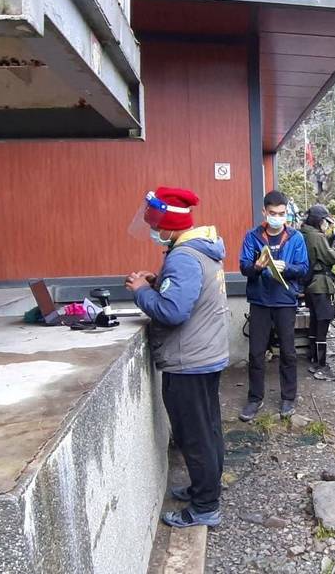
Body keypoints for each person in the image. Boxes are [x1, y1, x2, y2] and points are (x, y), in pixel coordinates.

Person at [126, 187, 229, 528]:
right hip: (205, 353)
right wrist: (161, 283)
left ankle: (204, 507)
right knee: (208, 429)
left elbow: (172, 311)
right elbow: (186, 293)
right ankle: (206, 488)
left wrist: (142, 291)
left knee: (194, 435)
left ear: (169, 224)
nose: (154, 231)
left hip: (190, 359)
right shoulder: (200, 249)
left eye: (156, 224)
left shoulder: (184, 256)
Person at [238, 190, 309, 421]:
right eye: (272, 213)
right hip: (259, 300)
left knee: (288, 352)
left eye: (281, 213)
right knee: (256, 353)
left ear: (286, 213)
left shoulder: (296, 238)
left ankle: (288, 397)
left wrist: (285, 267)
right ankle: (254, 399)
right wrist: (258, 266)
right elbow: (244, 268)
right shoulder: (253, 236)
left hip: (285, 301)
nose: (277, 217)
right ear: (264, 212)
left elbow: (304, 269)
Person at [300, 204, 335, 381]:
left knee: (315, 320)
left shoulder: (303, 233)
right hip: (321, 285)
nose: (327, 224)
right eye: (326, 221)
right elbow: (332, 257)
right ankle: (321, 364)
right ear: (320, 221)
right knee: (323, 322)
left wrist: (330, 239)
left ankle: (313, 357)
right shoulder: (316, 236)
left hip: (310, 285)